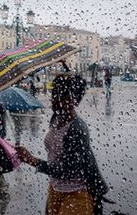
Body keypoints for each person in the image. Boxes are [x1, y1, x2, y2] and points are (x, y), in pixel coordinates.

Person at [16, 73, 109, 215]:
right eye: (55, 93)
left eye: (64, 95)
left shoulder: (77, 128)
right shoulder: (56, 118)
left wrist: (32, 160)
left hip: (78, 193)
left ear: (74, 100)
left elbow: (68, 170)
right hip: (55, 188)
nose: (56, 99)